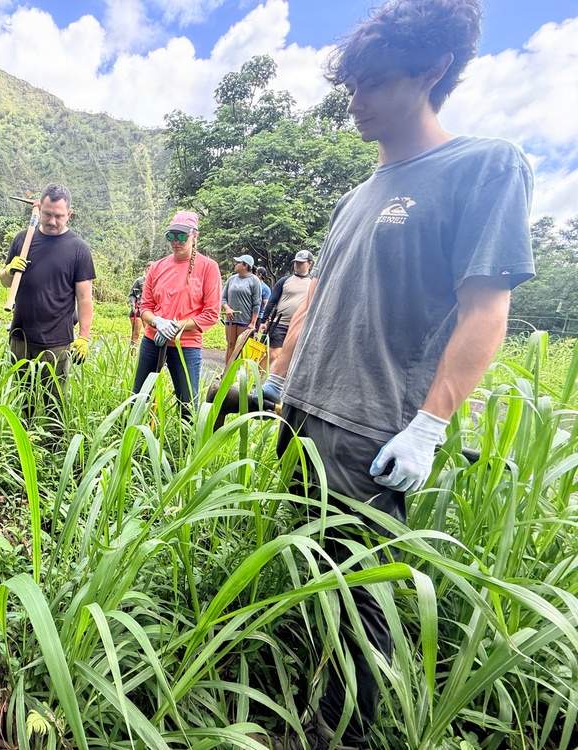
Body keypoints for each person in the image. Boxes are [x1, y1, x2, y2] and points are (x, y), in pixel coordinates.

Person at [258, 1, 535, 747]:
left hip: (370, 428)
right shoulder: (354, 196)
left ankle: (339, 734)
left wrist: (431, 424)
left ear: (433, 71)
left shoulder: (483, 166)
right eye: (350, 86)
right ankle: (301, 689)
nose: (356, 101)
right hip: (305, 415)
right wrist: (280, 376)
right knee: (311, 568)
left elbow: (486, 310)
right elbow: (319, 298)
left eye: (374, 83)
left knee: (360, 600)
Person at [0, 183, 95, 427]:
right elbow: (4, 281)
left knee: (54, 401)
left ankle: (54, 451)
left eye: (59, 216)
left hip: (57, 341)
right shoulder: (24, 239)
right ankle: (23, 445)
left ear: (68, 214)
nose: (53, 221)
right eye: (48, 214)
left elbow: (84, 298)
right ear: (40, 209)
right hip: (20, 335)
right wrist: (9, 270)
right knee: (23, 399)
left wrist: (83, 337)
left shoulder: (78, 248)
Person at [133, 210, 220, 416]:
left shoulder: (208, 268)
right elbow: (145, 307)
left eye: (182, 236)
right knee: (138, 398)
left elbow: (211, 314)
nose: (176, 241)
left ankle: (186, 447)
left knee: (188, 404)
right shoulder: (157, 267)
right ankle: (134, 441)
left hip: (185, 345)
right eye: (171, 236)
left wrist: (176, 326)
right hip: (153, 340)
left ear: (194, 235)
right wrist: (157, 322)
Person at [258, 250, 314, 367]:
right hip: (280, 323)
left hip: (299, 326)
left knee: (290, 356)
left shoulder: (312, 283)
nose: (297, 265)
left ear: (309, 263)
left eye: (301, 263)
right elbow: (272, 301)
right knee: (274, 353)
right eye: (296, 262)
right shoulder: (285, 281)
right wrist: (263, 321)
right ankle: (254, 379)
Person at [220, 254, 263, 368]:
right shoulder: (231, 279)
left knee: (241, 346)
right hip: (230, 319)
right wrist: (227, 308)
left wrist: (253, 322)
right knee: (230, 344)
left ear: (245, 266)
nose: (236, 264)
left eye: (238, 263)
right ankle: (227, 371)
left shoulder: (254, 280)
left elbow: (257, 303)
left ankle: (239, 372)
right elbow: (223, 298)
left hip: (245, 320)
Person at [128, 266, 148, 347]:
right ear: (145, 269)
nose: (150, 270)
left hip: (148, 310)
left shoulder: (156, 281)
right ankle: (132, 356)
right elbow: (132, 295)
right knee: (136, 334)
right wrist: (133, 306)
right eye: (148, 268)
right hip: (138, 309)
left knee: (148, 333)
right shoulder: (139, 281)